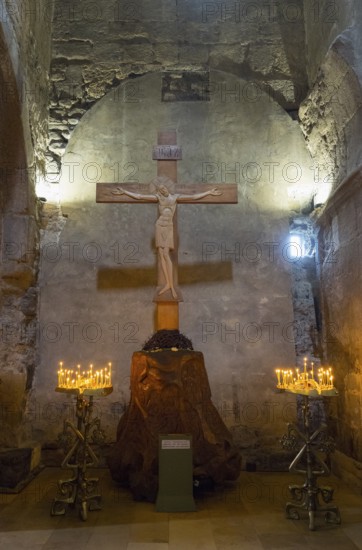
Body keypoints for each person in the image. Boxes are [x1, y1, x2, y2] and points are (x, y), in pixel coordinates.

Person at [113, 176, 221, 298]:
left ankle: (170, 284)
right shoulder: (158, 198)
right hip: (160, 226)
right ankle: (168, 284)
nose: (163, 190)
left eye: (164, 188)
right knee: (161, 254)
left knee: (166, 254)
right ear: (159, 192)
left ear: (167, 188)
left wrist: (209, 192)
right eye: (160, 189)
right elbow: (139, 196)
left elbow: (193, 197)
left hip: (168, 227)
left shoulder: (175, 197)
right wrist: (124, 192)